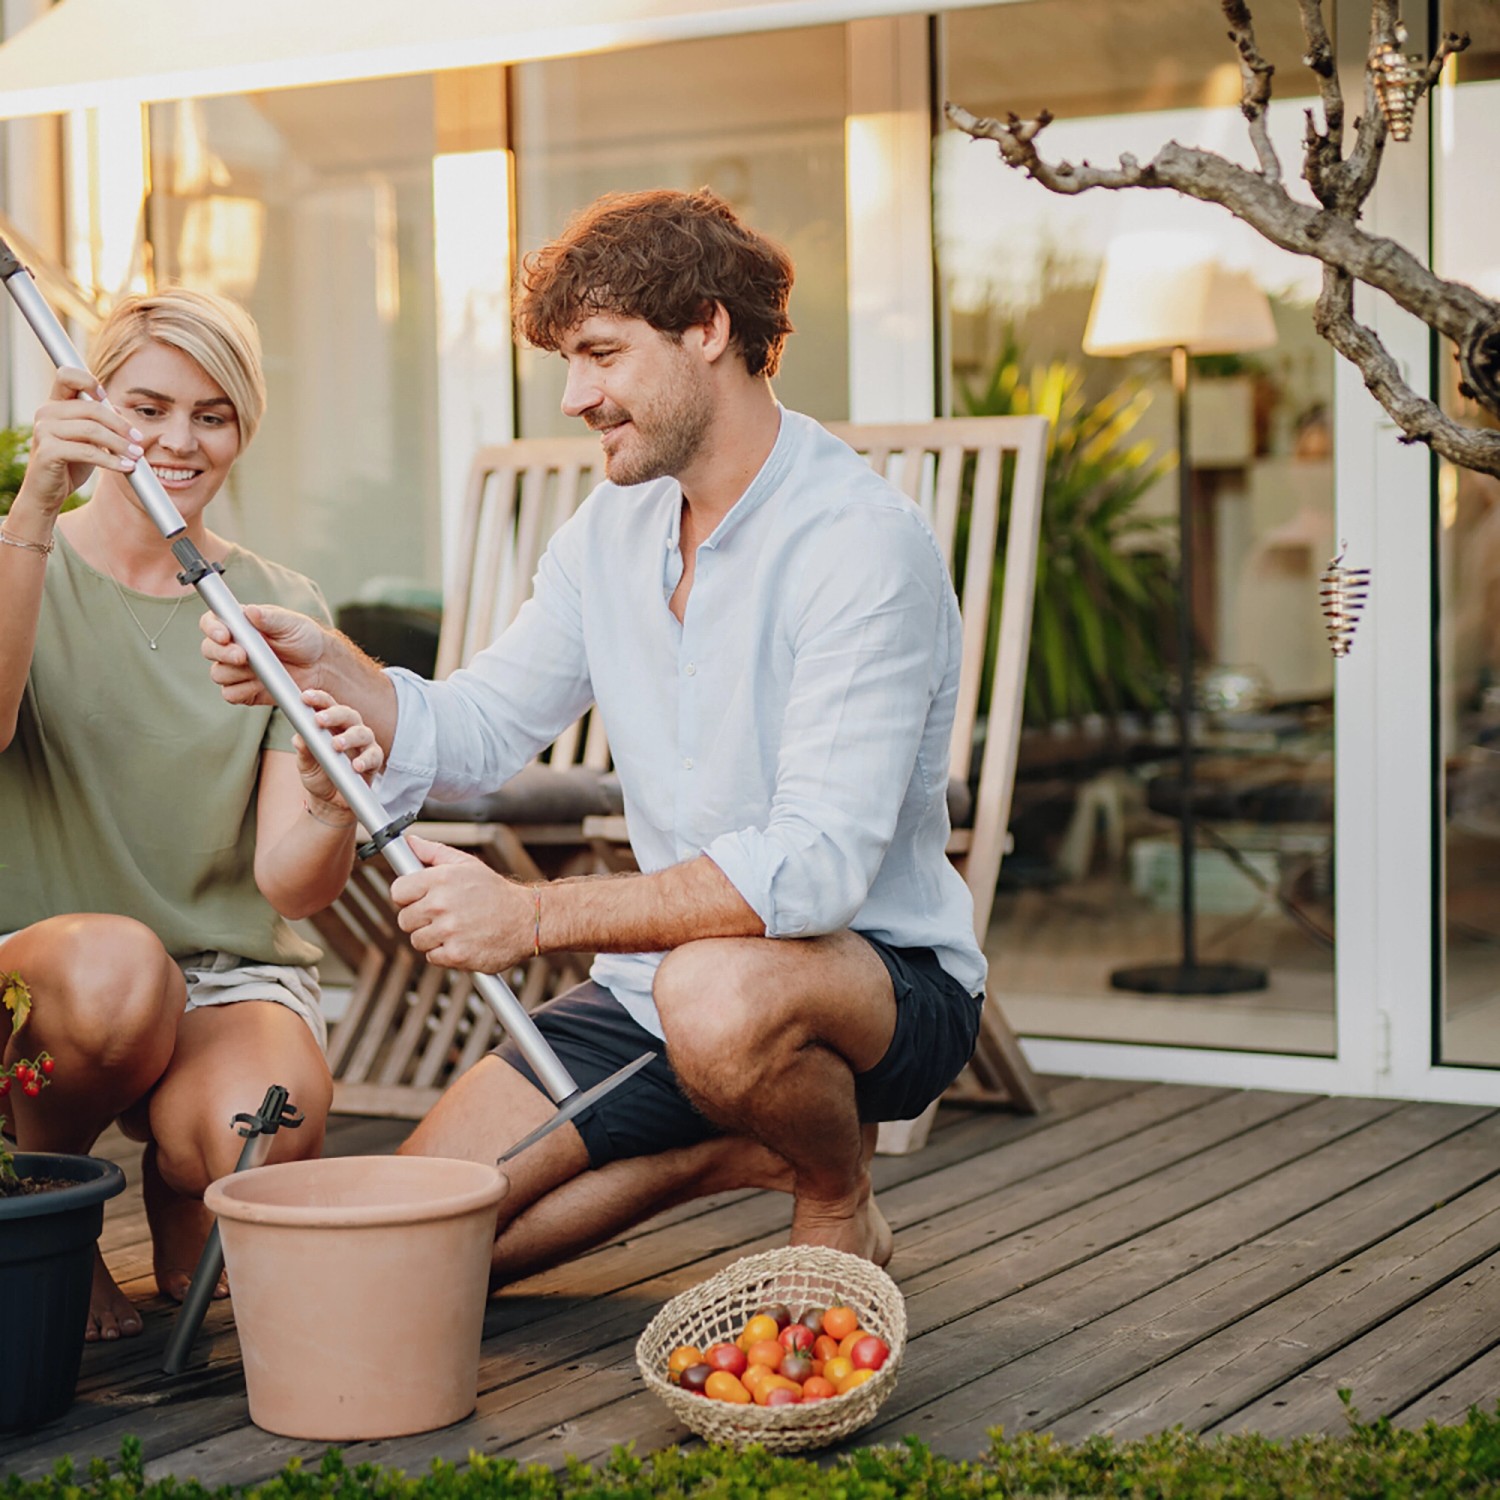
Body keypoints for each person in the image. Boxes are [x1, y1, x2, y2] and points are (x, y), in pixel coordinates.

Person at [201, 188, 986, 1279]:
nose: (576, 397)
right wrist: (332, 665)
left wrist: (531, 916)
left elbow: (814, 869)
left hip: (871, 986)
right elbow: (479, 727)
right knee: (391, 1258)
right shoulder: (612, 527)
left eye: (602, 355)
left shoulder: (858, 543)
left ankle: (832, 1190)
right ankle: (734, 1150)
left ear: (707, 329)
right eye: (569, 363)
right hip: (653, 990)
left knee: (714, 992)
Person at [0, 288, 381, 1340]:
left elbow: (289, 886)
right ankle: (50, 1204)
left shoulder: (276, 607)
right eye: (148, 407)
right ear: (93, 406)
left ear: (242, 429)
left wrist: (328, 807)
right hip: (51, 979)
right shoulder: (16, 553)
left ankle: (182, 1183)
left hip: (220, 976)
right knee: (119, 972)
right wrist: (35, 507)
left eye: (212, 415)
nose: (178, 440)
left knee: (265, 1131)